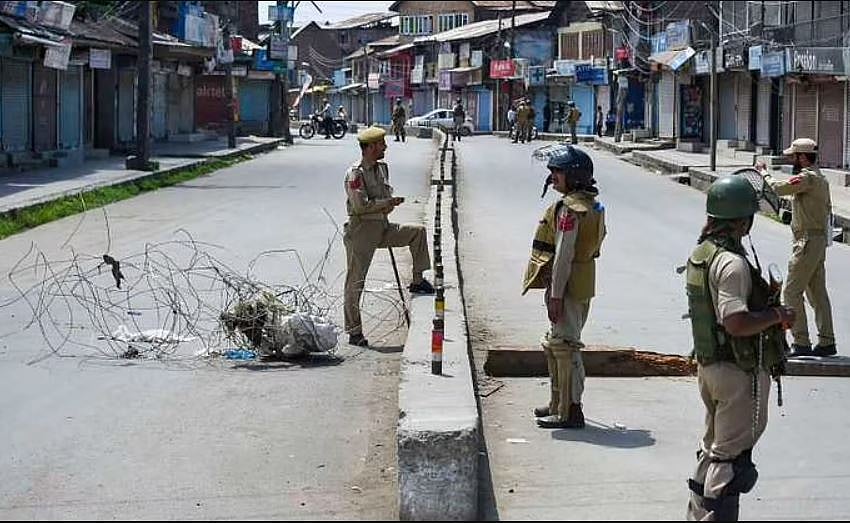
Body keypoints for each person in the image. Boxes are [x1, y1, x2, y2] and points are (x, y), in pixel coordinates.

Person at [684, 175, 795, 521]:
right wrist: (777, 314)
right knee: (731, 461)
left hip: (711, 367)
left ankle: (697, 514)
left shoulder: (702, 252)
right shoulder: (731, 263)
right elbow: (735, 322)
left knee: (713, 450)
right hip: (736, 372)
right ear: (742, 219)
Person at [522, 145, 606, 429]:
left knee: (565, 347)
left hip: (569, 283)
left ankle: (570, 410)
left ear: (575, 175)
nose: (552, 176)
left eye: (558, 171)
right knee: (556, 342)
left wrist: (555, 295)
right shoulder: (591, 204)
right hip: (581, 281)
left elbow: (564, 255)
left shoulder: (571, 210)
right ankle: (558, 402)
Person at [343, 127, 435, 347]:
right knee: (355, 282)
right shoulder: (356, 174)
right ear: (371, 147)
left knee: (417, 233)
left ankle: (417, 279)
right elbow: (361, 206)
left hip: (381, 226)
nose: (385, 147)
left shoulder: (382, 168)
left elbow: (384, 196)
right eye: (381, 144)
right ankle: (354, 331)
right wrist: (387, 204)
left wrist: (389, 204)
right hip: (362, 231)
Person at [758, 138, 836, 357]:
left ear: (802, 157)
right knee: (817, 293)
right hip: (816, 241)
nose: (791, 159)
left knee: (791, 292)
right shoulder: (820, 178)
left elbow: (779, 188)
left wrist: (763, 172)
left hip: (807, 242)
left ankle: (801, 342)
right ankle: (827, 341)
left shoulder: (807, 177)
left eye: (794, 156)